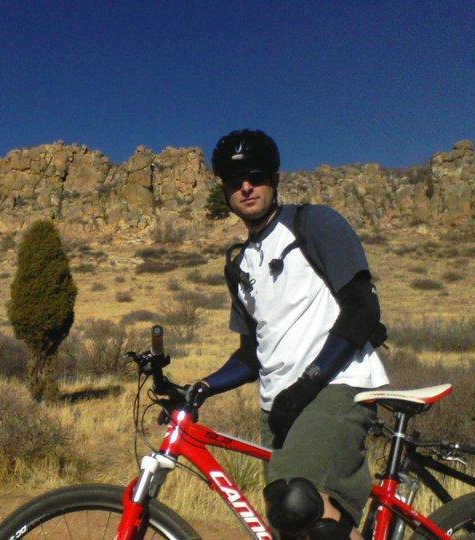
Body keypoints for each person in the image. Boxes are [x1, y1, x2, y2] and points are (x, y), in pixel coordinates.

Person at [186, 129, 389, 540]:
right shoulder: (241, 264)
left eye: (256, 175)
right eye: (233, 180)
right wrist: (201, 387)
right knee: (291, 525)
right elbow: (250, 355)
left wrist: (306, 384)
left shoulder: (313, 224)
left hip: (337, 386)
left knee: (300, 506)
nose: (246, 187)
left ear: (274, 179)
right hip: (277, 407)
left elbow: (362, 309)